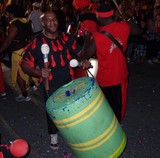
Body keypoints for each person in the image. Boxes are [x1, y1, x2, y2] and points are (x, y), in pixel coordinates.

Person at [20, 10, 82, 149]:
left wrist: (83, 60)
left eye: (54, 19)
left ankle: (71, 132)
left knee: (71, 107)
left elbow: (79, 53)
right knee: (53, 111)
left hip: (69, 80)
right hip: (50, 84)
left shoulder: (66, 37)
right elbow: (24, 64)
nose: (52, 22)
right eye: (48, 20)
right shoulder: (37, 41)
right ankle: (53, 135)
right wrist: (39, 72)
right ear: (43, 23)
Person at [79, 2, 130, 122]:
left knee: (106, 106)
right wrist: (125, 17)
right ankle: (117, 124)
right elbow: (138, 30)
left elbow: (84, 56)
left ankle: (110, 127)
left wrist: (86, 40)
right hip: (121, 75)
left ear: (99, 17)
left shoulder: (98, 37)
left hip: (105, 78)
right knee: (119, 105)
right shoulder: (124, 26)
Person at [0, 4, 33, 102]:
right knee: (27, 69)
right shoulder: (26, 21)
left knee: (18, 74)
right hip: (27, 49)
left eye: (8, 13)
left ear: (12, 13)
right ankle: (32, 84)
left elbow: (9, 40)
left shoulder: (13, 24)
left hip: (17, 52)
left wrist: (0, 50)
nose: (7, 15)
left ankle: (25, 95)